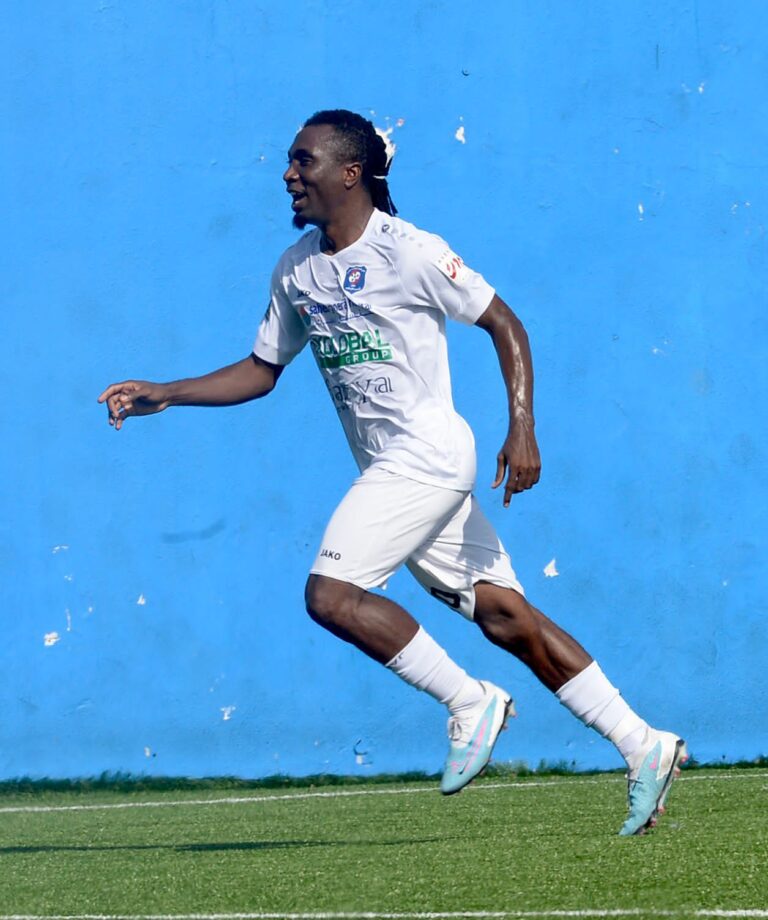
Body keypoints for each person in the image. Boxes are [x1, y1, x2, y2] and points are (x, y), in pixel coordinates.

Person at [99, 109, 686, 835]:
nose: (288, 175)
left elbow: (504, 323)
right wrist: (167, 392)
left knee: (331, 595)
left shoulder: (410, 251)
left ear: (351, 173)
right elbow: (261, 370)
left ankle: (471, 701)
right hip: (397, 470)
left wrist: (523, 426)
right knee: (506, 617)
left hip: (429, 453)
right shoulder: (296, 270)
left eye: (303, 161)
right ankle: (643, 742)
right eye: (289, 161)